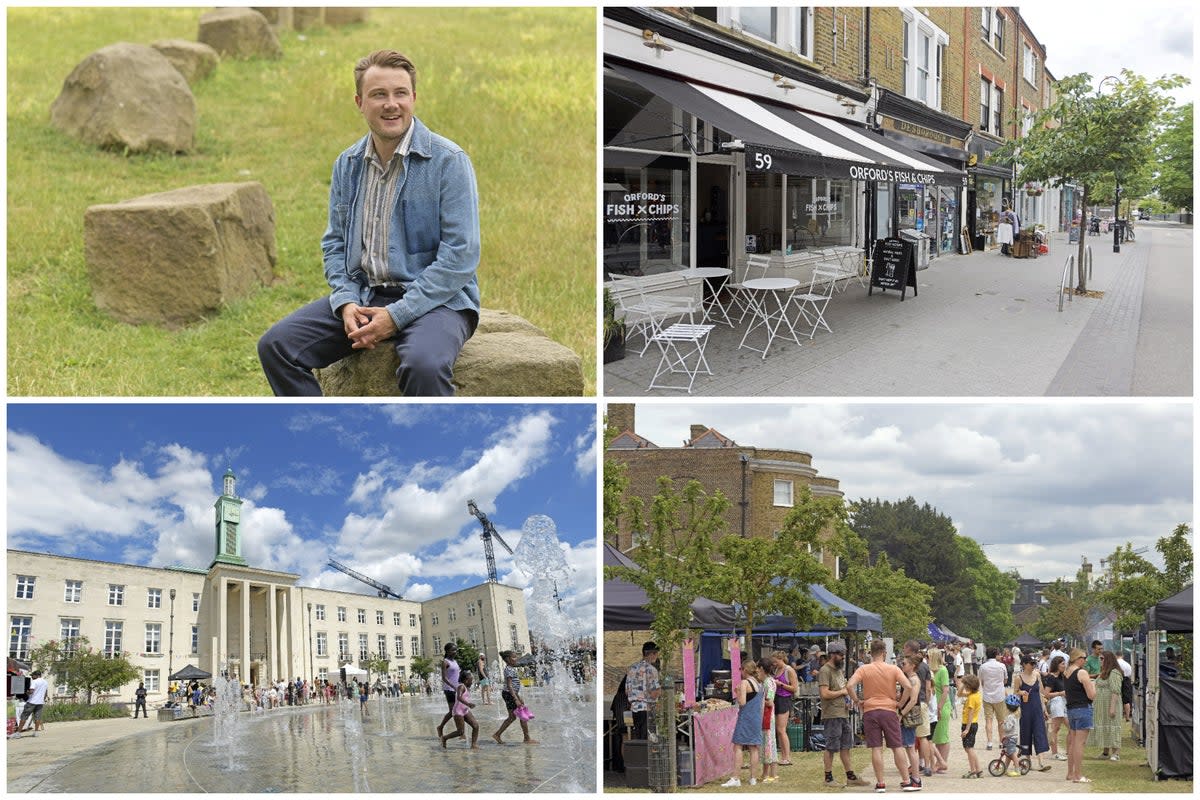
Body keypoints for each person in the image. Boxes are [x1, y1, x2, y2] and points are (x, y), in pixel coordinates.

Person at [257, 49, 481, 397]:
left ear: (414, 98)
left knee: (423, 366)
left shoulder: (449, 161)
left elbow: (461, 256)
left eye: (400, 93)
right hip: (364, 293)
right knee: (277, 347)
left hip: (439, 301)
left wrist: (396, 315)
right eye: (379, 94)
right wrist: (346, 301)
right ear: (360, 102)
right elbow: (335, 245)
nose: (391, 104)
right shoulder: (346, 164)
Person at [845, 639, 917, 793]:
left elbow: (850, 685)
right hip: (889, 710)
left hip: (870, 710)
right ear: (884, 653)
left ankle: (881, 783)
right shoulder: (894, 669)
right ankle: (906, 780)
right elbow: (908, 686)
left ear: (871, 653)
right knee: (897, 746)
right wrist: (900, 703)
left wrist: (857, 701)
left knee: (876, 748)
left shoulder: (864, 669)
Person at [818, 641, 870, 788]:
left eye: (843, 655)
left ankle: (851, 776)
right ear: (832, 654)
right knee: (831, 747)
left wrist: (848, 700)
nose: (843, 657)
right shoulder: (825, 670)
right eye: (841, 655)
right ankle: (828, 778)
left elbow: (843, 689)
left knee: (846, 746)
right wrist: (842, 693)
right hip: (832, 714)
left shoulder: (839, 670)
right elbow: (824, 693)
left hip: (843, 713)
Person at [721, 659, 763, 787]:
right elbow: (761, 705)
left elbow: (742, 702)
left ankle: (735, 778)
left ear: (744, 669)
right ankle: (753, 778)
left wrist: (737, 692)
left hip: (745, 717)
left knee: (738, 747)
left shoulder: (745, 682)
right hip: (756, 718)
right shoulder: (759, 684)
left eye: (741, 669)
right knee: (754, 748)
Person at [901, 641, 935, 776]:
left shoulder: (906, 666)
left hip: (910, 703)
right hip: (922, 703)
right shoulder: (925, 666)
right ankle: (926, 765)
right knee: (923, 737)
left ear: (909, 649)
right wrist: (926, 702)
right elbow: (928, 688)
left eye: (904, 647)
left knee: (910, 738)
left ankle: (915, 764)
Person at [1012, 656, 1051, 770]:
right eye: (1031, 663)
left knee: (1040, 733)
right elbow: (1015, 693)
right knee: (1026, 734)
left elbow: (1041, 693)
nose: (1033, 665)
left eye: (1034, 663)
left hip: (1037, 709)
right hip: (1025, 710)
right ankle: (1027, 761)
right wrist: (1020, 692)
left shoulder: (1037, 675)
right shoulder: (1018, 677)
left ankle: (1041, 762)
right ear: (1024, 664)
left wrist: (1044, 709)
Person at [1064, 648, 1096, 783]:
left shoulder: (1066, 672)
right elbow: (1091, 695)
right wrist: (1094, 686)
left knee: (1072, 742)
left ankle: (1070, 773)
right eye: (1084, 657)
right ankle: (1078, 775)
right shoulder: (1082, 672)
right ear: (1078, 658)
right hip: (1083, 708)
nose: (1086, 659)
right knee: (1079, 743)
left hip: (1071, 710)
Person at [493, 650, 536, 744]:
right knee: (521, 716)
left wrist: (518, 696)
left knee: (513, 717)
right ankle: (526, 738)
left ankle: (497, 734)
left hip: (511, 694)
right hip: (509, 694)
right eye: (514, 657)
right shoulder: (508, 669)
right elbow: (509, 685)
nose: (516, 659)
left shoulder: (511, 668)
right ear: (508, 659)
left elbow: (512, 686)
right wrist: (516, 698)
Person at [897, 655, 926, 791]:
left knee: (910, 747)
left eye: (904, 663)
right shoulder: (910, 679)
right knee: (908, 747)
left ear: (912, 666)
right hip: (907, 715)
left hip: (909, 716)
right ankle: (914, 777)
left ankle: (916, 779)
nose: (902, 665)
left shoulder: (914, 679)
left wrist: (901, 714)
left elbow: (913, 700)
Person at [1089, 651, 1123, 761]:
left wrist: (1112, 707)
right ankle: (1105, 752)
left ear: (1108, 659)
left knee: (1113, 725)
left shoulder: (1114, 672)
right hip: (1101, 704)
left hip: (1110, 703)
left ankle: (1116, 753)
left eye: (1102, 658)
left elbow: (1115, 691)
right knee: (1104, 725)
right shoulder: (1103, 672)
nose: (1100, 660)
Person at [769, 651, 800, 767]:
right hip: (776, 699)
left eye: (775, 661)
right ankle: (783, 756)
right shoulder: (776, 670)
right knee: (778, 730)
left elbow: (794, 688)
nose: (774, 663)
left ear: (781, 658)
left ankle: (787, 757)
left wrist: (780, 684)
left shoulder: (789, 670)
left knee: (782, 730)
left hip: (784, 700)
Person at [625, 641, 660, 741]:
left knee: (639, 739)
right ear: (652, 653)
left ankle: (639, 756)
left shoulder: (632, 668)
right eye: (656, 654)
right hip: (647, 709)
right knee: (648, 741)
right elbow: (654, 693)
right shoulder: (651, 669)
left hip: (635, 709)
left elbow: (627, 691)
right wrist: (660, 691)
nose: (657, 657)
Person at [978, 646, 1009, 751]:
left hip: (987, 696)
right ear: (996, 654)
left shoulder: (983, 667)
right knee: (1001, 720)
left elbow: (981, 682)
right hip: (999, 696)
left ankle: (990, 742)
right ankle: (1001, 742)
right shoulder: (1002, 666)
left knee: (988, 720)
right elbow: (1005, 681)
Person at [928, 648, 952, 774]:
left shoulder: (942, 670)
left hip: (942, 706)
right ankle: (939, 762)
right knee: (936, 736)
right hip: (933, 707)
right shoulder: (931, 671)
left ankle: (942, 762)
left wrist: (940, 707)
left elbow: (945, 690)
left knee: (942, 736)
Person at [441, 671, 479, 749]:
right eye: (471, 680)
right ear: (466, 680)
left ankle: (473, 745)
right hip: (458, 711)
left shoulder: (466, 687)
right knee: (460, 732)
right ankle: (444, 738)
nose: (472, 682)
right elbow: (459, 697)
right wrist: (468, 704)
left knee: (476, 726)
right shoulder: (461, 686)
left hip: (465, 710)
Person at [756, 661, 778, 784]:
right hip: (768, 715)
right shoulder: (768, 681)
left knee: (768, 743)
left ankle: (769, 774)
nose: (757, 671)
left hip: (767, 716)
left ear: (763, 669)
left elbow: (769, 701)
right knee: (770, 743)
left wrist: (759, 700)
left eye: (758, 668)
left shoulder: (768, 682)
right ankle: (770, 773)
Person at [1043, 655, 1069, 761]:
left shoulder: (1063, 676)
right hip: (1057, 703)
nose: (1064, 665)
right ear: (1057, 665)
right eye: (1062, 663)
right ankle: (1055, 753)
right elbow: (1046, 694)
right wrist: (1060, 693)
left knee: (1059, 728)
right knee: (1057, 728)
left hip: (1064, 703)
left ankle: (1065, 752)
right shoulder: (1051, 677)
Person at [959, 674, 984, 779]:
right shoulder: (975, 694)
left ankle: (973, 770)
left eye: (965, 684)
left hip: (969, 724)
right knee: (969, 748)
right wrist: (963, 685)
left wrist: (966, 729)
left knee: (969, 749)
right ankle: (978, 770)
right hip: (973, 724)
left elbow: (970, 714)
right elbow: (959, 694)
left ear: (969, 686)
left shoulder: (971, 698)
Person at [436, 642, 460, 739]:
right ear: (447, 651)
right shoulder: (445, 662)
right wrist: (453, 687)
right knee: (453, 711)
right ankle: (441, 727)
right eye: (453, 650)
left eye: (456, 650)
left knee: (457, 711)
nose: (455, 652)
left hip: (457, 689)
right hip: (449, 690)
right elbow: (444, 678)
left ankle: (460, 731)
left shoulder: (455, 661)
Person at [16, 670, 49, 735]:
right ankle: (36, 732)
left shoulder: (34, 681)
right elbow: (45, 693)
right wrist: (42, 699)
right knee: (37, 717)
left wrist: (26, 691)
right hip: (40, 703)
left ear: (36, 675)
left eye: (32, 676)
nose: (32, 677)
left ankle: (18, 733)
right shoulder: (45, 682)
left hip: (32, 702)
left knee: (24, 716)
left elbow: (31, 691)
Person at [999, 694, 1022, 776]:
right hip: (1012, 737)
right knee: (1008, 753)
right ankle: (1005, 768)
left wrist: (1003, 725)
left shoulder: (1010, 717)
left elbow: (1007, 728)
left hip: (1011, 738)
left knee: (1012, 754)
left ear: (1007, 707)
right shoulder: (1015, 716)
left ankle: (1017, 770)